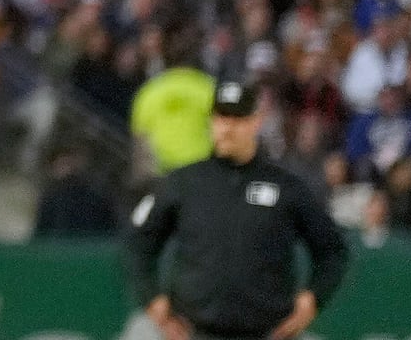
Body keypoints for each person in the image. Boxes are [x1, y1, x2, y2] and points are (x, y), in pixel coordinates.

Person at [128, 81, 350, 340]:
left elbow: (332, 250)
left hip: (266, 332)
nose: (226, 128)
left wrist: (313, 298)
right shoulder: (182, 183)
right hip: (195, 332)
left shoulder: (285, 186)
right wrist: (152, 299)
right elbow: (139, 243)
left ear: (256, 122)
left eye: (236, 119)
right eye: (220, 118)